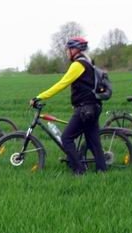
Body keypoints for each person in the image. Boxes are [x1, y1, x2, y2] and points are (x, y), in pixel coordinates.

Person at [31, 37, 106, 175]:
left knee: (66, 139)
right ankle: (102, 170)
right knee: (94, 141)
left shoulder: (78, 65)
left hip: (85, 109)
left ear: (75, 49)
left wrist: (40, 96)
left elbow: (62, 84)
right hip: (94, 107)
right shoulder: (88, 62)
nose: (67, 51)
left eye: (68, 49)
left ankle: (79, 171)